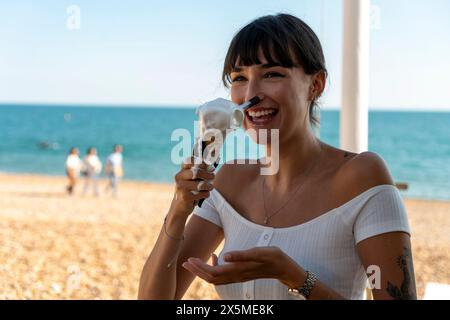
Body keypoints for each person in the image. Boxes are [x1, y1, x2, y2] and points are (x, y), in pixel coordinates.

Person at [138, 14, 416, 300]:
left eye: (272, 74)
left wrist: (294, 276)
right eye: (239, 78)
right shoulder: (230, 180)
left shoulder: (361, 175)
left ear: (316, 84)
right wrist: (178, 211)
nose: (251, 94)